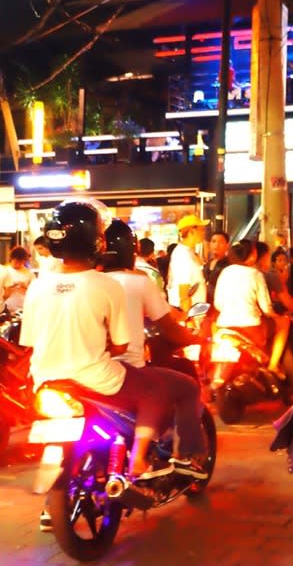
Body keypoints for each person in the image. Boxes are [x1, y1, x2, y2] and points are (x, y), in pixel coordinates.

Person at [20, 200, 198, 481]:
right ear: (96, 241)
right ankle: (139, 459)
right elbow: (120, 346)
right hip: (96, 378)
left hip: (45, 379)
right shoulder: (107, 286)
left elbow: (29, 339)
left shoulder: (37, 286)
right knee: (155, 390)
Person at [103, 219, 207, 477]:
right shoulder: (139, 282)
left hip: (74, 372)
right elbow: (169, 327)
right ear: (132, 250)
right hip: (119, 371)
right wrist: (196, 338)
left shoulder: (86, 282)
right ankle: (182, 455)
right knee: (184, 386)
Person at [214, 240, 293, 392]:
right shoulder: (256, 274)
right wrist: (274, 315)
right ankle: (273, 364)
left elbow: (218, 304)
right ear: (252, 255)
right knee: (284, 322)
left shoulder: (225, 272)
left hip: (225, 326)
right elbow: (267, 308)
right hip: (252, 329)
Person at [167, 215, 207, 312]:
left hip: (195, 312)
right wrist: (188, 320)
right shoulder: (182, 255)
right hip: (188, 315)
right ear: (191, 232)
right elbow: (183, 291)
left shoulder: (188, 252)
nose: (204, 233)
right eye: (201, 230)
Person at [2, 246, 34, 313]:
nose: (18, 264)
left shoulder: (29, 273)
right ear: (11, 258)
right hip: (6, 306)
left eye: (21, 262)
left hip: (23, 306)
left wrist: (25, 287)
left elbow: (35, 291)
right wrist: (9, 287)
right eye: (16, 261)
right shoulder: (4, 271)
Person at [204, 230, 231, 304]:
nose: (216, 245)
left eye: (221, 242)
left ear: (227, 245)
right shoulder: (207, 264)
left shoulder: (229, 265)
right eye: (213, 241)